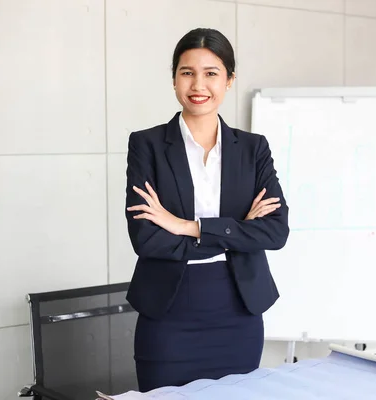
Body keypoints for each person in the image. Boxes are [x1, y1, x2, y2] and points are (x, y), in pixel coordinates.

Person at [124, 27, 290, 392]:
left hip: (238, 311)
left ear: (229, 80)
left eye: (211, 73)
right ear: (174, 80)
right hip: (168, 314)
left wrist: (187, 226)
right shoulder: (147, 145)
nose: (199, 84)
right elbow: (147, 238)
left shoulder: (253, 149)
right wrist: (237, 231)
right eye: (187, 72)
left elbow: (276, 232)